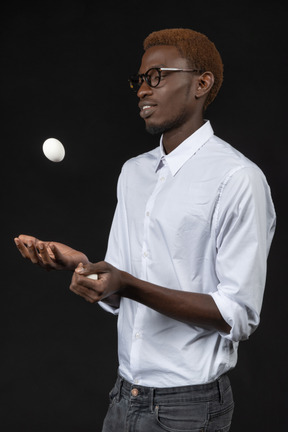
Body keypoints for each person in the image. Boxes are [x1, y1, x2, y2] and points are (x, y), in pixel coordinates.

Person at [14, 28, 276, 431]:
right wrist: (83, 267)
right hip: (124, 396)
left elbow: (237, 315)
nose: (142, 89)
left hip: (189, 407)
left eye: (158, 76)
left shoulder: (237, 178)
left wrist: (127, 283)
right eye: (140, 79)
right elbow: (121, 281)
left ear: (201, 84)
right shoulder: (133, 173)